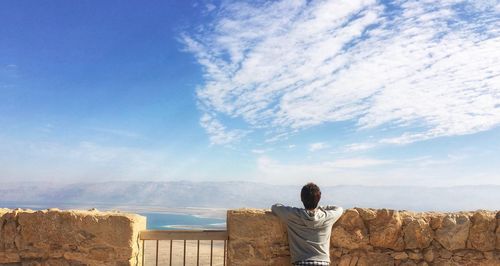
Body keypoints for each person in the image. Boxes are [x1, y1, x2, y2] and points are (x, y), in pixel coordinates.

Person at [272, 182, 343, 266]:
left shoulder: (293, 215)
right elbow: (339, 209)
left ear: (301, 198)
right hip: (323, 263)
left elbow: (275, 207)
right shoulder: (326, 216)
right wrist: (319, 208)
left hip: (301, 262)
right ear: (319, 198)